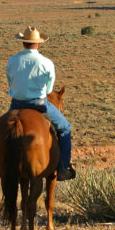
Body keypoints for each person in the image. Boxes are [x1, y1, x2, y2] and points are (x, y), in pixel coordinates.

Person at [6, 26, 76, 181]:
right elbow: (49, 89)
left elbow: (10, 82)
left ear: (23, 43)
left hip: (16, 104)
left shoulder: (12, 60)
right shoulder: (46, 63)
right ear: (39, 44)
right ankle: (63, 168)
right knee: (65, 128)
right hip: (39, 103)